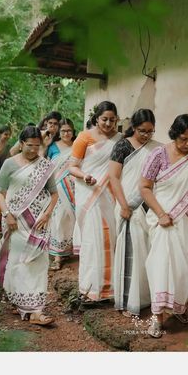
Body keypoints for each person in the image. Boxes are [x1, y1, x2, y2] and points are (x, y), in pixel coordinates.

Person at [140, 114, 188, 338]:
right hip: (164, 221)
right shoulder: (158, 155)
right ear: (174, 134)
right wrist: (161, 214)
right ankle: (157, 317)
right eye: (184, 139)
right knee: (160, 266)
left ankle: (179, 306)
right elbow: (144, 187)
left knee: (186, 268)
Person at [0, 126, 58, 326]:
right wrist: (7, 214)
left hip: (38, 222)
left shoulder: (45, 166)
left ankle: (36, 309)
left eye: (37, 146)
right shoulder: (9, 164)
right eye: (29, 146)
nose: (33, 150)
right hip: (15, 220)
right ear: (21, 143)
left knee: (37, 262)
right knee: (18, 261)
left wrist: (47, 213)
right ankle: (19, 299)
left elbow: (54, 194)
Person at [108, 109, 161, 317]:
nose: (146, 135)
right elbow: (113, 177)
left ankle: (146, 298)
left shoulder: (157, 149)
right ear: (134, 127)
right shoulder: (123, 145)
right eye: (142, 131)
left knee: (147, 252)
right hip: (128, 206)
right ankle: (129, 300)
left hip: (149, 206)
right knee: (130, 252)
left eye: (150, 131)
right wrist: (123, 206)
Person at [69, 101, 122, 306]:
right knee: (93, 240)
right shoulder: (84, 137)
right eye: (104, 119)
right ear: (97, 119)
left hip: (111, 195)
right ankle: (90, 289)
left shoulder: (120, 140)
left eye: (112, 119)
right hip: (89, 193)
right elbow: (72, 167)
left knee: (110, 239)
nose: (108, 123)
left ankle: (109, 290)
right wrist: (85, 177)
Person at [47, 118, 76, 271]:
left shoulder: (77, 145)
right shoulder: (52, 147)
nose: (66, 133)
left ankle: (70, 250)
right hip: (57, 187)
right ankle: (57, 257)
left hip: (74, 187)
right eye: (63, 130)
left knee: (71, 219)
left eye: (69, 130)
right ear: (59, 131)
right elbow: (47, 167)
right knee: (57, 219)